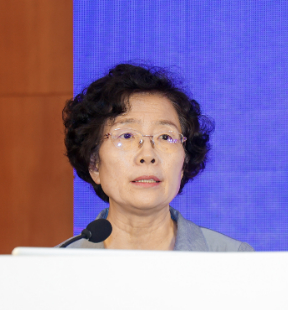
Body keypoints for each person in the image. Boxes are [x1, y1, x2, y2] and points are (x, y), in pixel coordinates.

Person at [59, 64, 253, 251]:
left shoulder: (234, 260)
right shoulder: (57, 265)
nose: (148, 155)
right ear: (94, 164)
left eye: (165, 137)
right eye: (126, 136)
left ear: (184, 162)